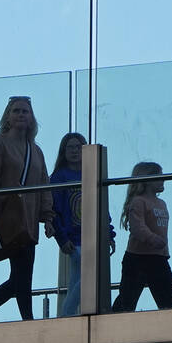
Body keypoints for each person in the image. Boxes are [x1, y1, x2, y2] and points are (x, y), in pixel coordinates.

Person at [0, 96, 55, 324]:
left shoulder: (36, 152)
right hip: (8, 215)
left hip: (29, 218)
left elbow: (44, 184)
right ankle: (27, 320)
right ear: (7, 116)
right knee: (23, 273)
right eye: (16, 111)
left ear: (32, 117)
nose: (21, 114)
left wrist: (48, 216)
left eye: (25, 111)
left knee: (21, 275)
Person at [48, 132, 115, 316]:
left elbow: (102, 207)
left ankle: (66, 316)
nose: (75, 151)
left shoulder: (92, 174)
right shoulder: (59, 177)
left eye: (79, 147)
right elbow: (54, 210)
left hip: (92, 237)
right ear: (63, 151)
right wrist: (62, 239)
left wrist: (108, 234)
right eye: (70, 147)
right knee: (89, 277)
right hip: (73, 238)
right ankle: (66, 315)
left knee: (78, 280)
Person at [112, 162, 172, 312]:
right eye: (159, 176)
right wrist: (153, 239)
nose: (163, 180)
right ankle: (114, 323)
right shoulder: (139, 202)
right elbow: (137, 227)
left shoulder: (162, 203)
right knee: (127, 299)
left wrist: (162, 248)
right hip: (137, 258)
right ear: (147, 180)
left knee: (169, 300)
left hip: (158, 257)